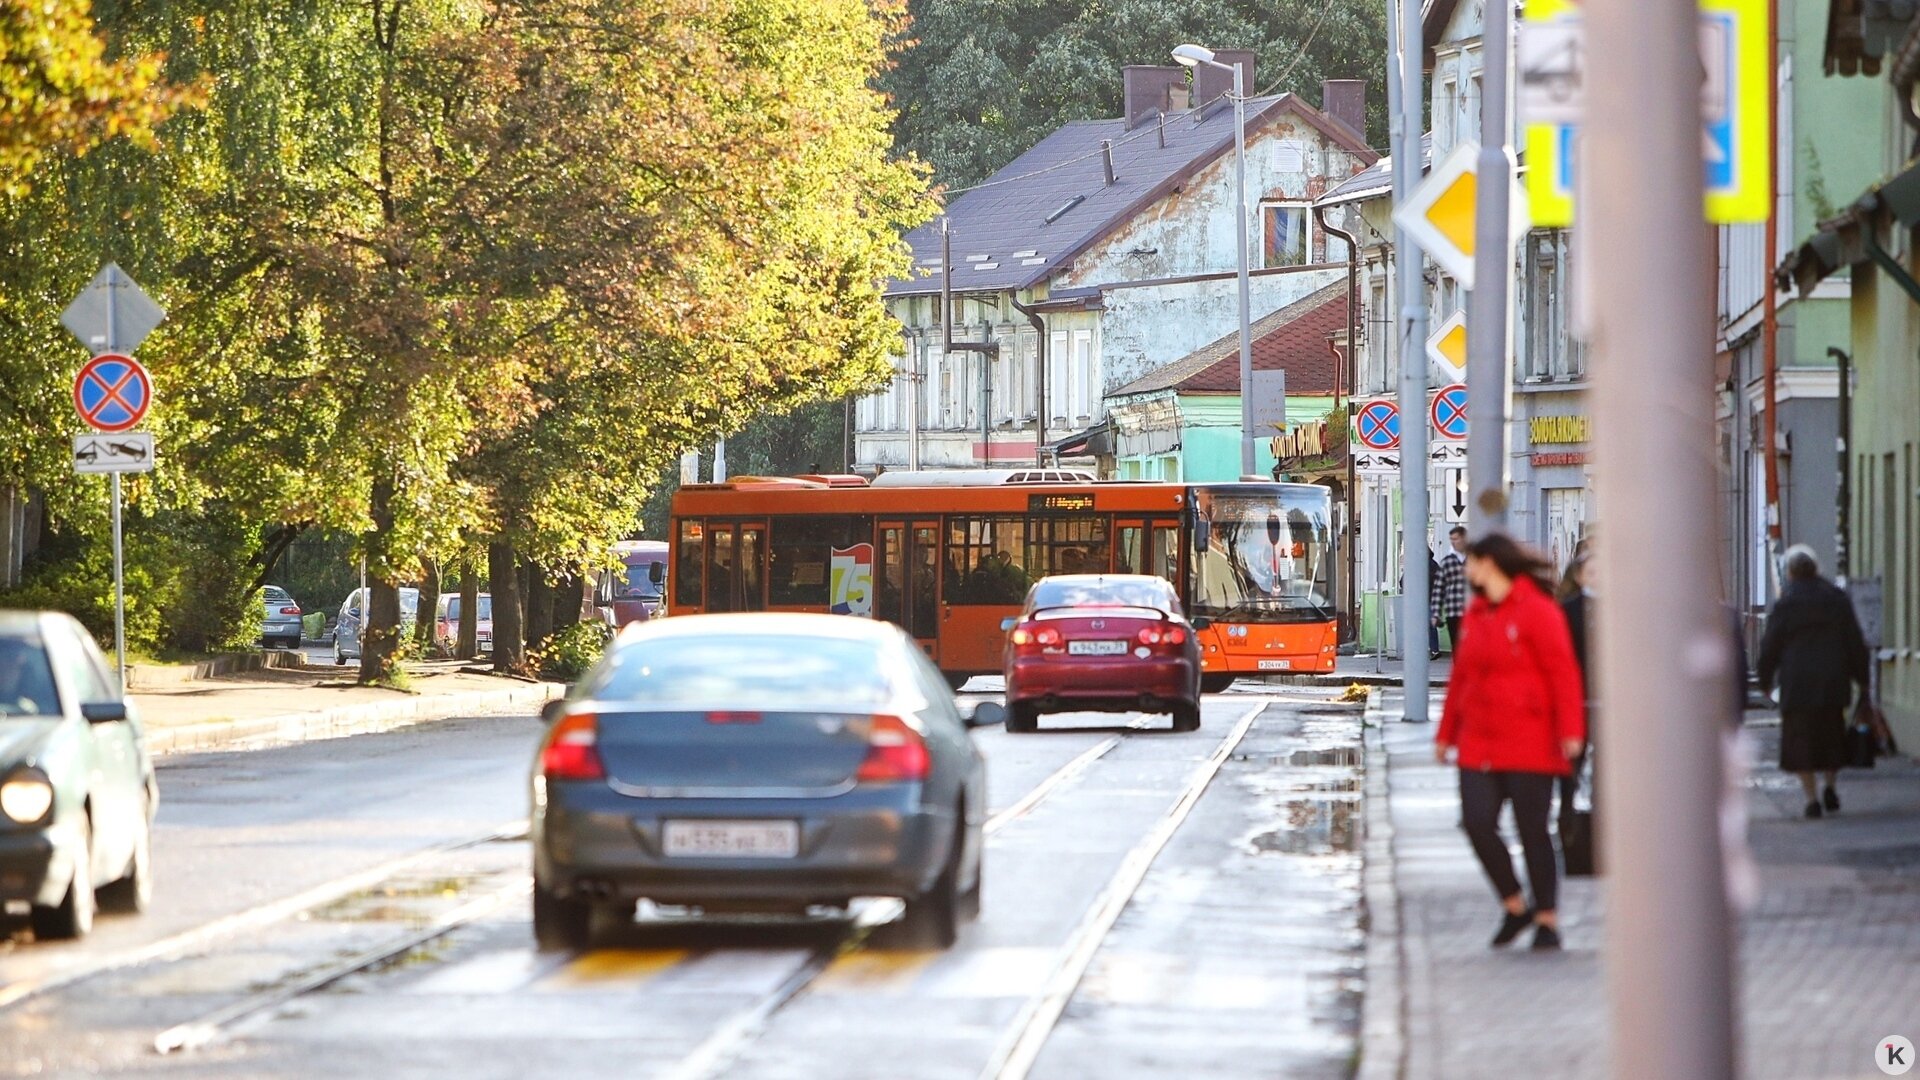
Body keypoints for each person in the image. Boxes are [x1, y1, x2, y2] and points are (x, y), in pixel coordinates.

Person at [1435, 532, 1586, 950]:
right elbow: (1461, 679)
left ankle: (1547, 920)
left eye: (1473, 561)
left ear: (1490, 564)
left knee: (1532, 830)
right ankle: (1515, 904)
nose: (1467, 569)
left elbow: (1563, 674)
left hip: (1531, 739)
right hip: (1480, 741)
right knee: (1477, 822)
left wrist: (1571, 731)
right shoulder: (1477, 614)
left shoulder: (1539, 611)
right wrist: (1446, 734)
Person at [1756, 544, 1870, 819]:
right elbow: (1854, 641)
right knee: (1831, 735)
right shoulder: (1837, 598)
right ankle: (1830, 786)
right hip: (1833, 679)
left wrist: (1765, 680)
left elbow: (1770, 645)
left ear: (1791, 571)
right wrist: (1863, 679)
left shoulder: (1786, 603)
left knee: (1801, 741)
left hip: (1797, 683)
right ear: (1816, 568)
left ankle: (1811, 799)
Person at [1432, 526, 1469, 655]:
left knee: (1471, 644)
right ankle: (1460, 671)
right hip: (1453, 611)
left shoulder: (1474, 559)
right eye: (1451, 539)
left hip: (1471, 610)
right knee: (1457, 645)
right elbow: (1438, 589)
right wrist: (1436, 613)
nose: (1454, 542)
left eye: (1456, 539)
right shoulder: (1448, 562)